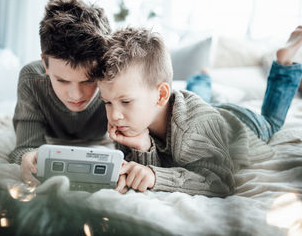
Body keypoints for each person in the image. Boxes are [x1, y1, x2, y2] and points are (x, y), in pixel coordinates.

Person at [94, 26, 302, 197]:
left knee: (271, 121)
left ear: (160, 95)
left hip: (241, 123)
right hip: (201, 110)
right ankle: (202, 78)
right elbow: (145, 169)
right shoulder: (127, 122)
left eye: (126, 101)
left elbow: (220, 182)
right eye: (107, 103)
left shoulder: (193, 130)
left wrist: (155, 176)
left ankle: (284, 63)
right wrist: (143, 146)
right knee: (201, 96)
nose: (114, 115)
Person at [8, 0, 111, 185]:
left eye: (88, 81)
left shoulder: (114, 76)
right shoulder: (32, 79)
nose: (76, 95)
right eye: (62, 80)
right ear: (45, 64)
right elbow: (25, 148)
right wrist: (27, 158)